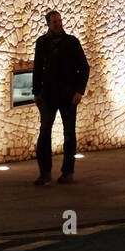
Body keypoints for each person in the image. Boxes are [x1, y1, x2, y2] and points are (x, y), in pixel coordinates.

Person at [33, 10, 89, 185]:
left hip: (67, 96)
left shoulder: (72, 42)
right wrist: (36, 92)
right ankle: (45, 172)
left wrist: (79, 91)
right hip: (48, 95)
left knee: (69, 134)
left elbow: (84, 67)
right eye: (54, 21)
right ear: (48, 24)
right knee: (44, 133)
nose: (58, 24)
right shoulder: (42, 43)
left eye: (59, 21)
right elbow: (37, 68)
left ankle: (68, 172)